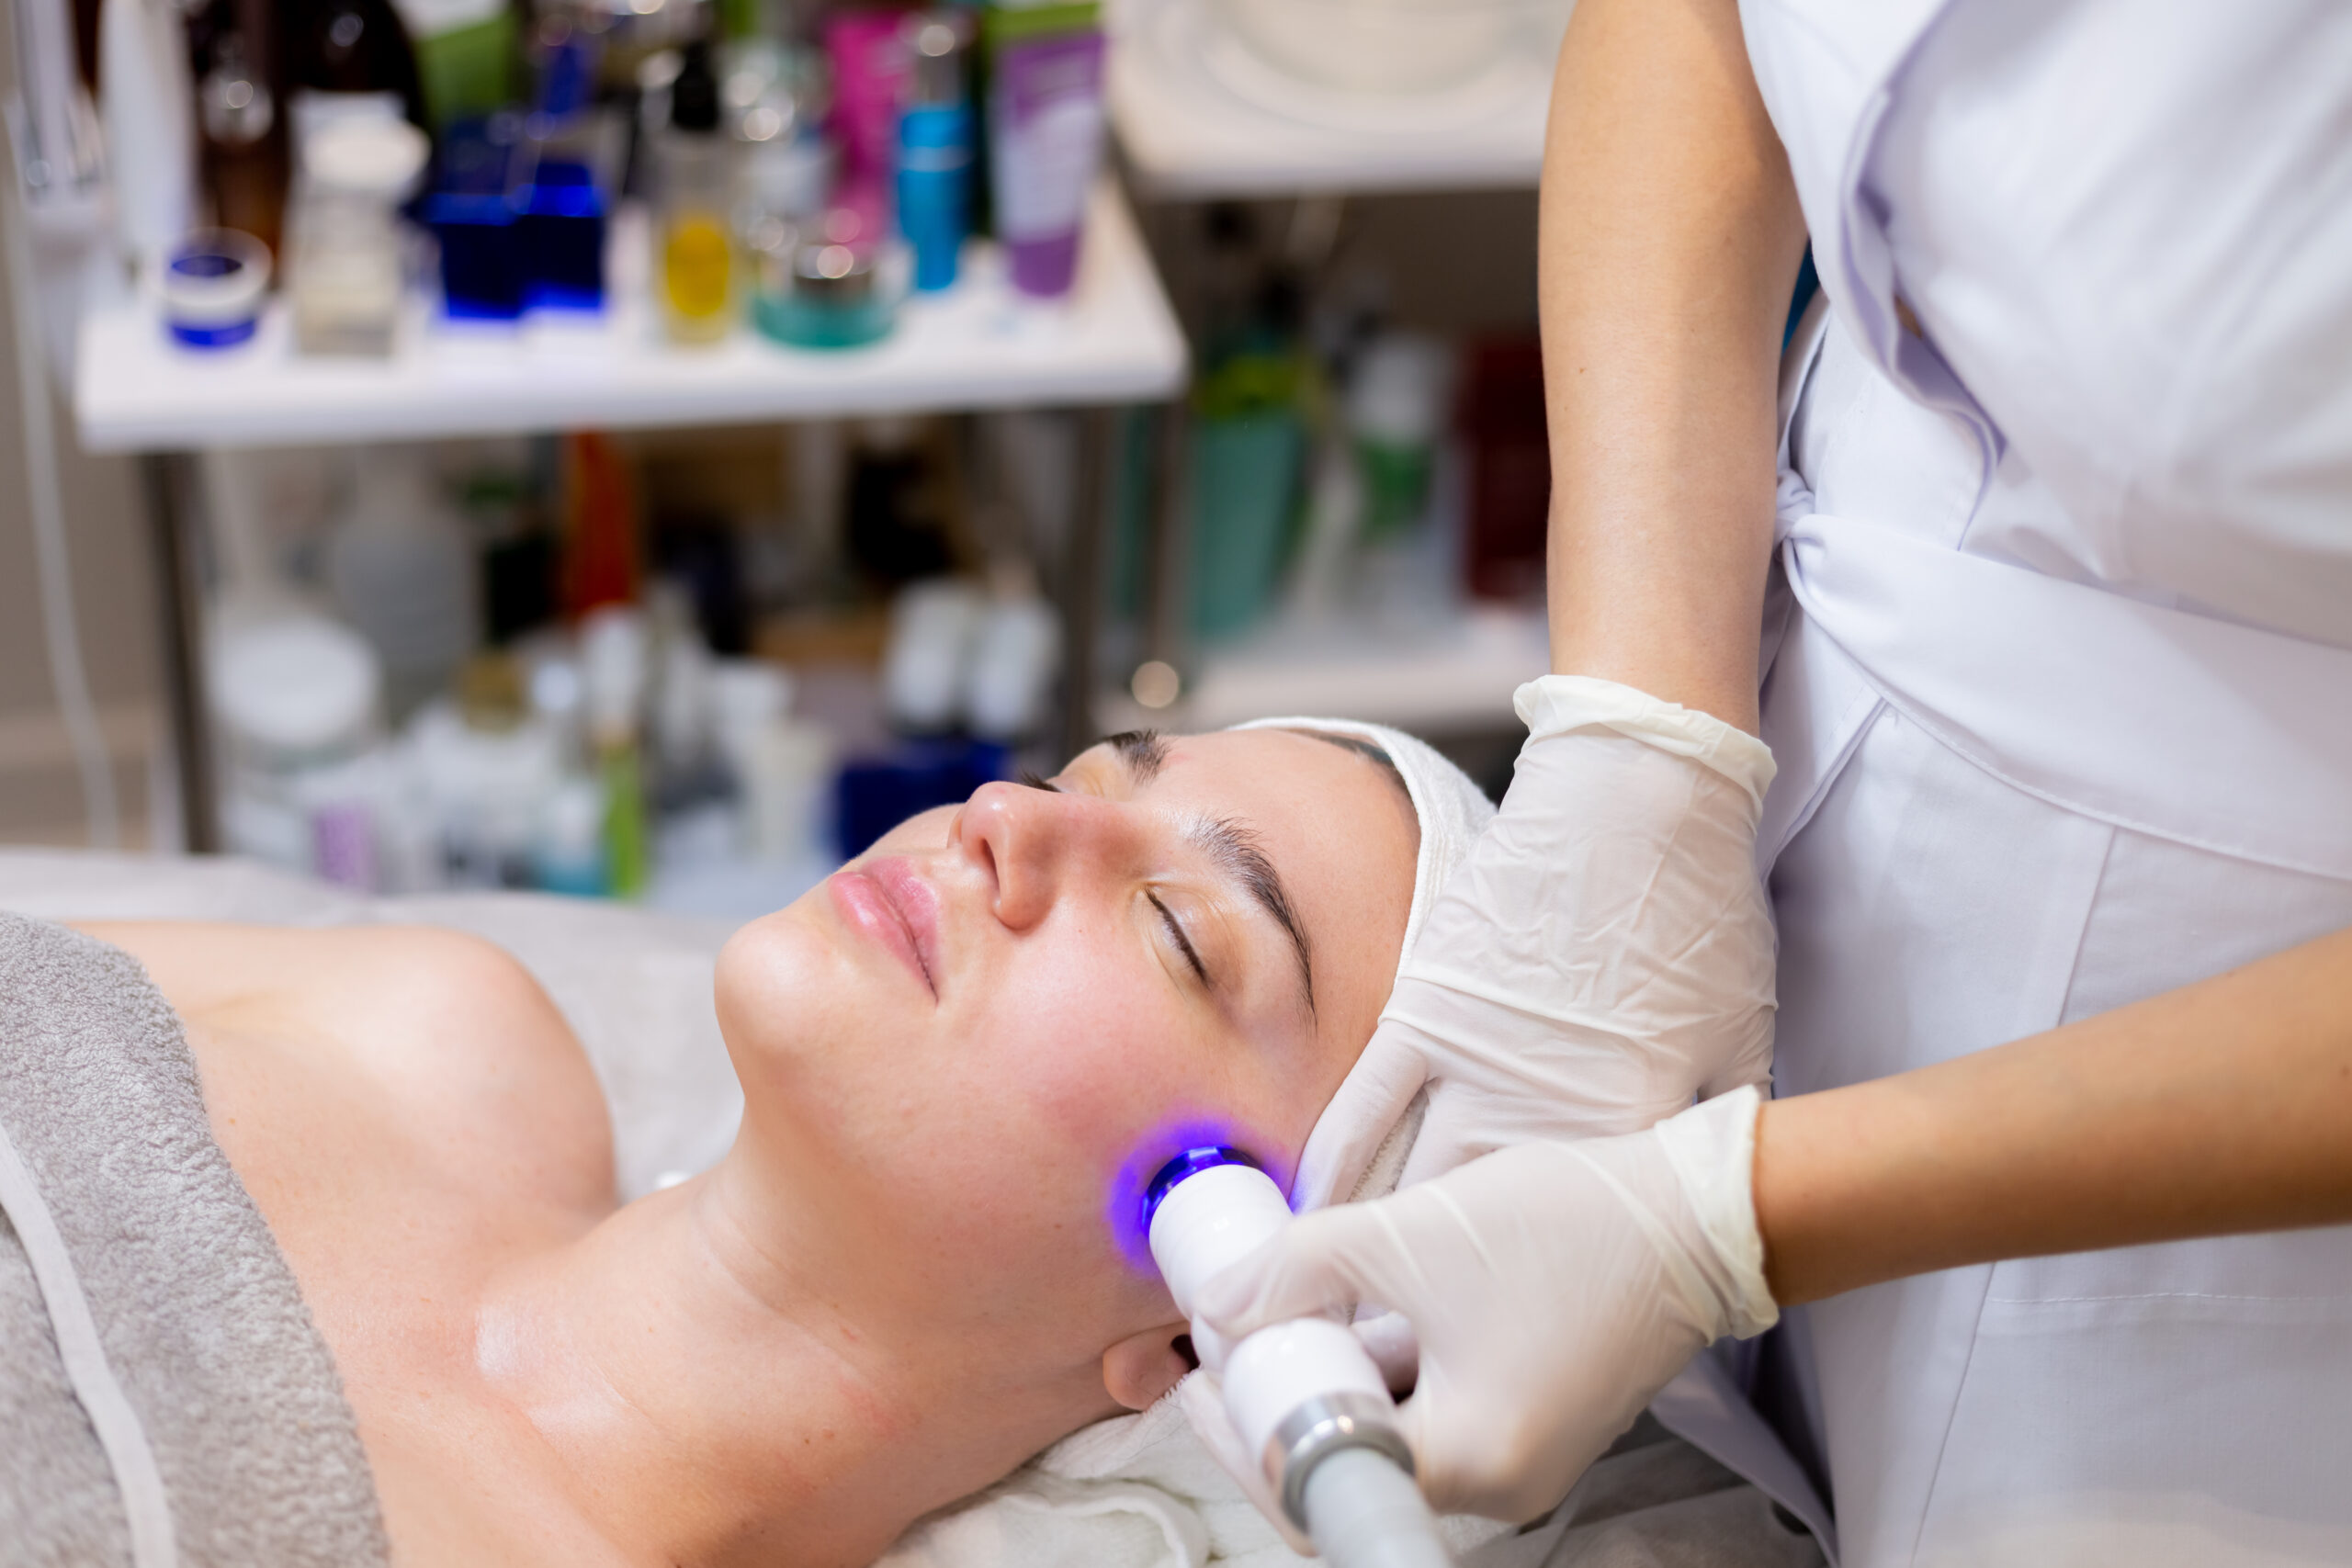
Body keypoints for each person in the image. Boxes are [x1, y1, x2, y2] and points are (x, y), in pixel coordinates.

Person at [1194, 1, 2352, 1562]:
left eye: (1187, 937)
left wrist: (1723, 1221)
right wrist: (1641, 744)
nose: (1008, 816)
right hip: (1790, 724)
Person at [59, 722, 1471, 1568]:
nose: (1007, 817)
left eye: (1177, 930)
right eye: (1076, 774)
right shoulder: (440, 1029)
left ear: (1197, 1335)